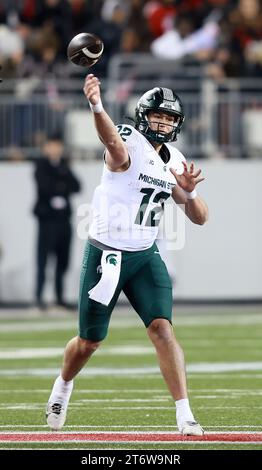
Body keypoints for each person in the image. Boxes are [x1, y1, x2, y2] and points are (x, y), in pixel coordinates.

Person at [46, 74, 209, 435]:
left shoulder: (176, 160)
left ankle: (184, 414)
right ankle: (63, 384)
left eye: (170, 118)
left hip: (145, 255)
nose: (164, 123)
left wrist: (190, 193)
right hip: (108, 254)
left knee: (163, 330)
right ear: (143, 116)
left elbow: (198, 218)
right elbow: (114, 148)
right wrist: (96, 106)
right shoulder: (129, 140)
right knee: (89, 341)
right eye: (158, 116)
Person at [33, 134, 81, 309]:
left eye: (57, 145)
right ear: (46, 147)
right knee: (43, 260)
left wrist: (61, 181)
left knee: (63, 260)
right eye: (51, 145)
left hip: (63, 220)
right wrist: (61, 183)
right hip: (47, 220)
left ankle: (59, 297)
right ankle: (39, 298)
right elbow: (44, 188)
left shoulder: (64, 165)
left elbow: (76, 186)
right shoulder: (41, 165)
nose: (55, 149)